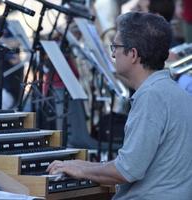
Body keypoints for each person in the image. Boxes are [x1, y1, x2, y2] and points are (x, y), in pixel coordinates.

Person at [47, 12, 192, 199]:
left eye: (115, 46)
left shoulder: (151, 96)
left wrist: (80, 169)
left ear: (133, 54)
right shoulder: (178, 93)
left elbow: (126, 171)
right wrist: (80, 165)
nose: (113, 53)